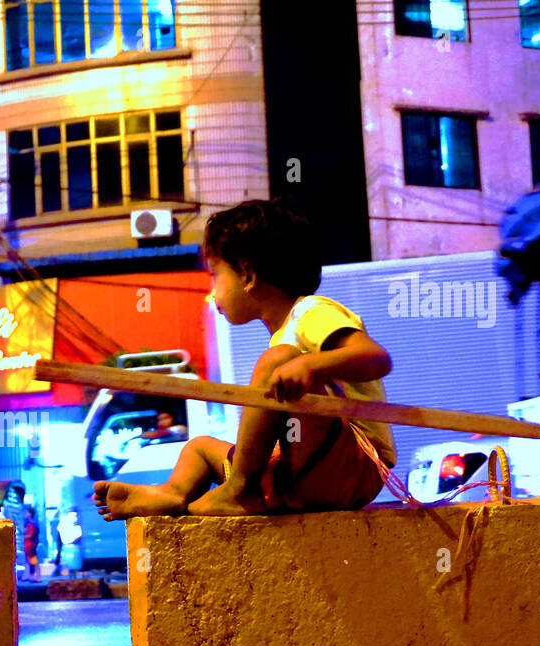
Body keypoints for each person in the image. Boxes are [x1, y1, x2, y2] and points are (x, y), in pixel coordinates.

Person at [94, 199, 396, 519]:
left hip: (355, 468)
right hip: (308, 469)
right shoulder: (283, 337)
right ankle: (175, 492)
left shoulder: (311, 311)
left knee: (277, 360)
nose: (211, 293)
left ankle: (240, 489)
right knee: (198, 447)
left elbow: (375, 358)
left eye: (215, 275)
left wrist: (308, 365)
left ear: (248, 275)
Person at [23, 494, 40, 582]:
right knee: (30, 560)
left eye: (26, 513)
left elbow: (30, 535)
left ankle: (37, 577)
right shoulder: (30, 523)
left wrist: (23, 535)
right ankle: (30, 576)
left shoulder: (30, 524)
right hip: (29, 544)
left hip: (29, 544)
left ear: (30, 514)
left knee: (33, 560)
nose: (25, 514)